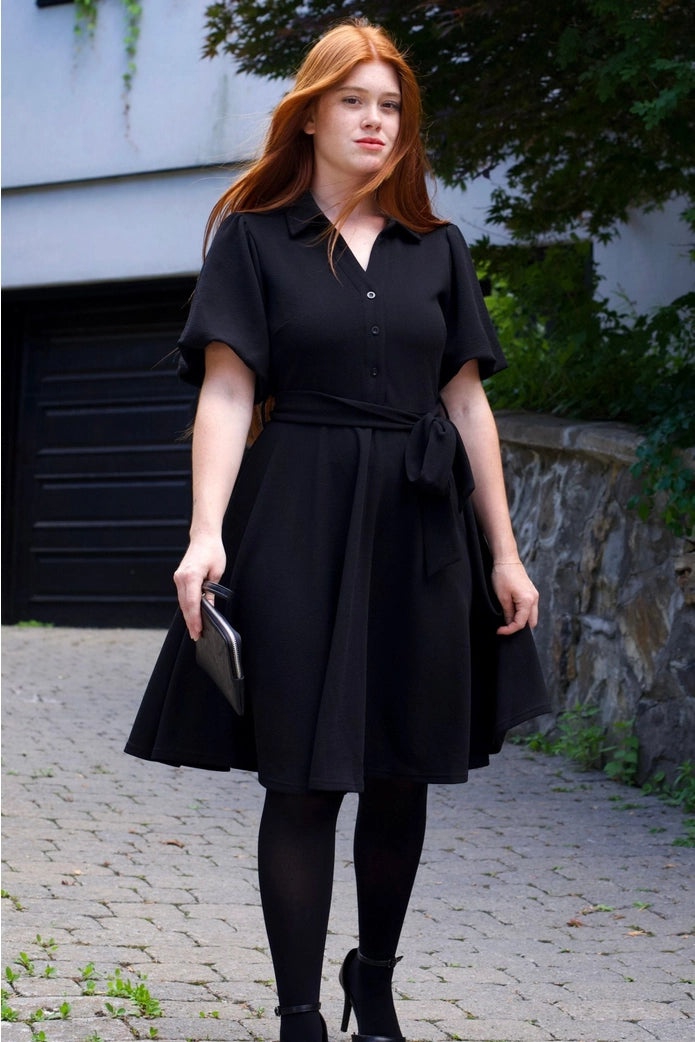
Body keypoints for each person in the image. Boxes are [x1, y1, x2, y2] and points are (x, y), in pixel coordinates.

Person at [126, 18, 549, 1042]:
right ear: (310, 114)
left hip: (419, 526)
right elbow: (226, 394)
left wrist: (502, 547)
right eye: (353, 101)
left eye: (391, 106)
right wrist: (204, 532)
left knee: (402, 768)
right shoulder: (253, 241)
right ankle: (300, 1012)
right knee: (307, 773)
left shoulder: (435, 250)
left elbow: (465, 406)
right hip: (299, 515)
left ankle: (375, 977)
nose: (374, 120)